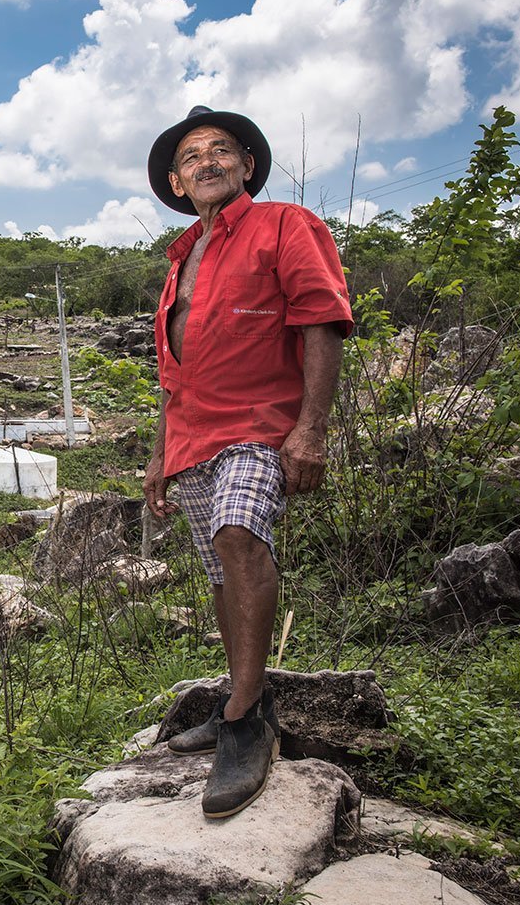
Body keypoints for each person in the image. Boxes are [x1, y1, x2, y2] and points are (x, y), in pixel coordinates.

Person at [143, 106, 352, 818]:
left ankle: (242, 723)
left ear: (246, 166)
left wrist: (310, 430)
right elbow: (174, 374)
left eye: (220, 151)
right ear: (176, 181)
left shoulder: (285, 225)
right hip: (194, 436)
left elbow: (322, 319)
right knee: (216, 576)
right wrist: (157, 456)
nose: (206, 162)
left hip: (261, 428)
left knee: (239, 535)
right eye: (192, 156)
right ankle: (247, 695)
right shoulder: (179, 260)